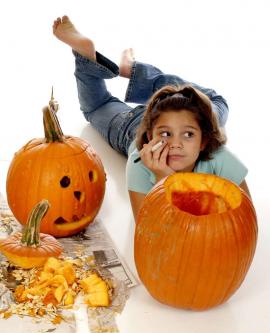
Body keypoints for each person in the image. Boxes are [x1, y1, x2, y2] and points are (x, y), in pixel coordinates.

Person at [53, 16, 250, 219]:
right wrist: (162, 178)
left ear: (204, 141)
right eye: (167, 135)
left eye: (188, 135)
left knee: (215, 104)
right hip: (132, 125)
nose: (175, 144)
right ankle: (87, 58)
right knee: (96, 107)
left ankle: (136, 72)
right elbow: (149, 230)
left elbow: (246, 217)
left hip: (187, 117)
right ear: (148, 137)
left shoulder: (218, 156)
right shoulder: (140, 161)